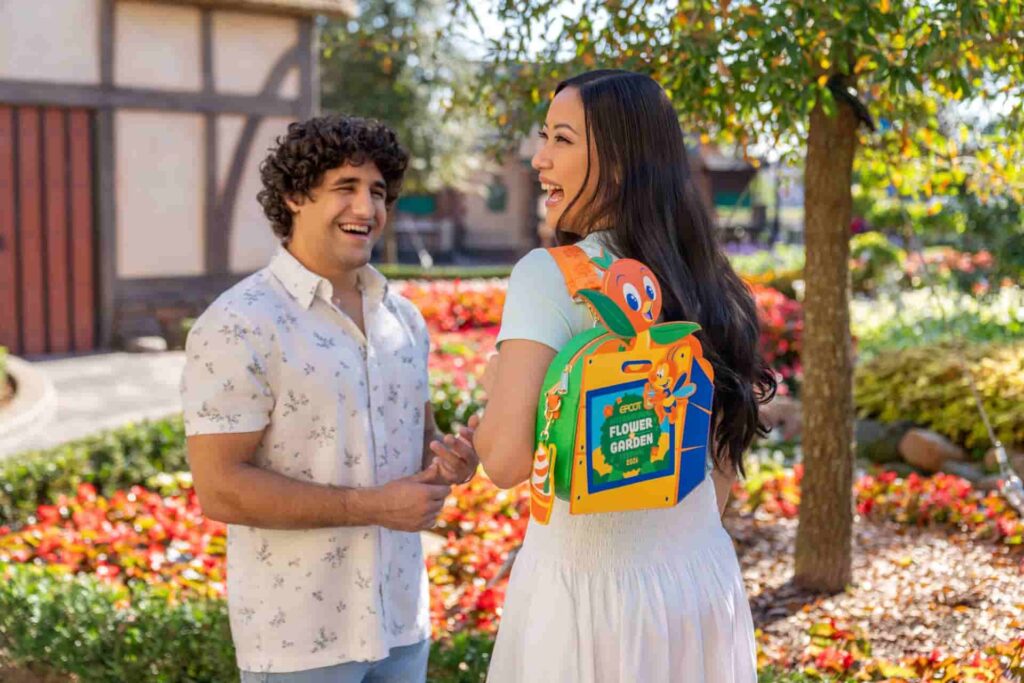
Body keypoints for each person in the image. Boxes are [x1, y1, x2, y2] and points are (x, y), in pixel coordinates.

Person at [473, 70, 776, 683]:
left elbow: (504, 463)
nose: (539, 159)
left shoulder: (548, 275)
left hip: (588, 598)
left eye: (561, 140)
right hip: (697, 584)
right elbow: (716, 482)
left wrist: (494, 387)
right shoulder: (705, 282)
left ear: (615, 163)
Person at [180, 114, 478, 682]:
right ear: (295, 195)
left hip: (401, 624)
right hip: (297, 640)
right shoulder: (240, 323)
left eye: (378, 192)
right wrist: (371, 506)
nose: (366, 209)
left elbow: (420, 445)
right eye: (346, 188)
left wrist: (450, 460)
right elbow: (219, 488)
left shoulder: (404, 320)